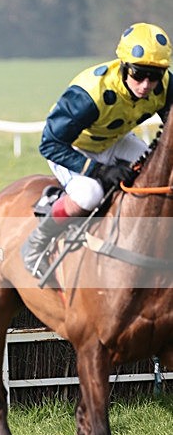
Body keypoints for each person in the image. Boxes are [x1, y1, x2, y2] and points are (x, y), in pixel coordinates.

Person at [22, 21, 173, 279]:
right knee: (90, 193)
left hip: (114, 139)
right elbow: (49, 144)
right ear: (125, 66)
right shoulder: (90, 95)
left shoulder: (165, 85)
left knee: (157, 176)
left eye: (154, 76)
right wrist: (99, 171)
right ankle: (36, 242)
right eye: (138, 74)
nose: (147, 85)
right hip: (71, 148)